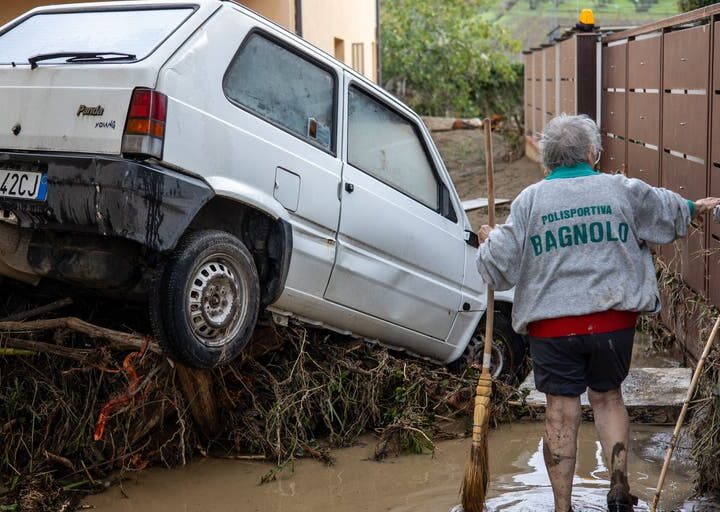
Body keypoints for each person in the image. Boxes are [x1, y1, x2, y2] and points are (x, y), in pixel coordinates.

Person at [475, 113, 720, 512]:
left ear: (547, 160)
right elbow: (669, 211)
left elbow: (498, 269)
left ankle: (562, 507)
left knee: (560, 410)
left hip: (553, 326)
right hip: (614, 320)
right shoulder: (621, 189)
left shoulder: (529, 201)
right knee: (608, 398)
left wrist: (487, 242)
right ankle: (619, 485)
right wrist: (697, 206)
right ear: (592, 152)